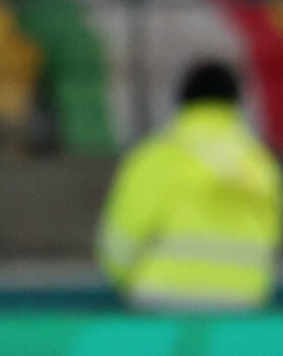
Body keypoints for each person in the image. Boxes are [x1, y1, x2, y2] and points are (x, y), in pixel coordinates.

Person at [97, 63, 277, 311]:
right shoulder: (260, 163)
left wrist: (128, 284)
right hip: (243, 301)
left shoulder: (155, 157)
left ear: (181, 102)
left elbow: (119, 242)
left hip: (160, 300)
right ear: (237, 104)